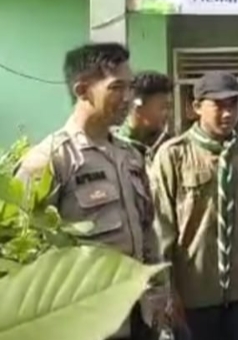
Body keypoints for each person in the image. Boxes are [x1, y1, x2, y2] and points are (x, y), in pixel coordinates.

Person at [14, 43, 168, 340]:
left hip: (139, 317)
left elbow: (148, 231)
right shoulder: (50, 160)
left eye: (130, 87)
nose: (128, 98)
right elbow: (22, 251)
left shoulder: (130, 157)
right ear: (83, 91)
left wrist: (161, 292)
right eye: (117, 88)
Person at [149, 71, 238, 340]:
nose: (228, 113)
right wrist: (166, 289)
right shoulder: (173, 155)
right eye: (219, 105)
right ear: (196, 107)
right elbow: (161, 228)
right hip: (195, 294)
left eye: (233, 104)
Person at [113, 71, 173, 163]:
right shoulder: (113, 149)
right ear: (137, 107)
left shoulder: (169, 148)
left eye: (169, 108)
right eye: (163, 107)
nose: (168, 114)